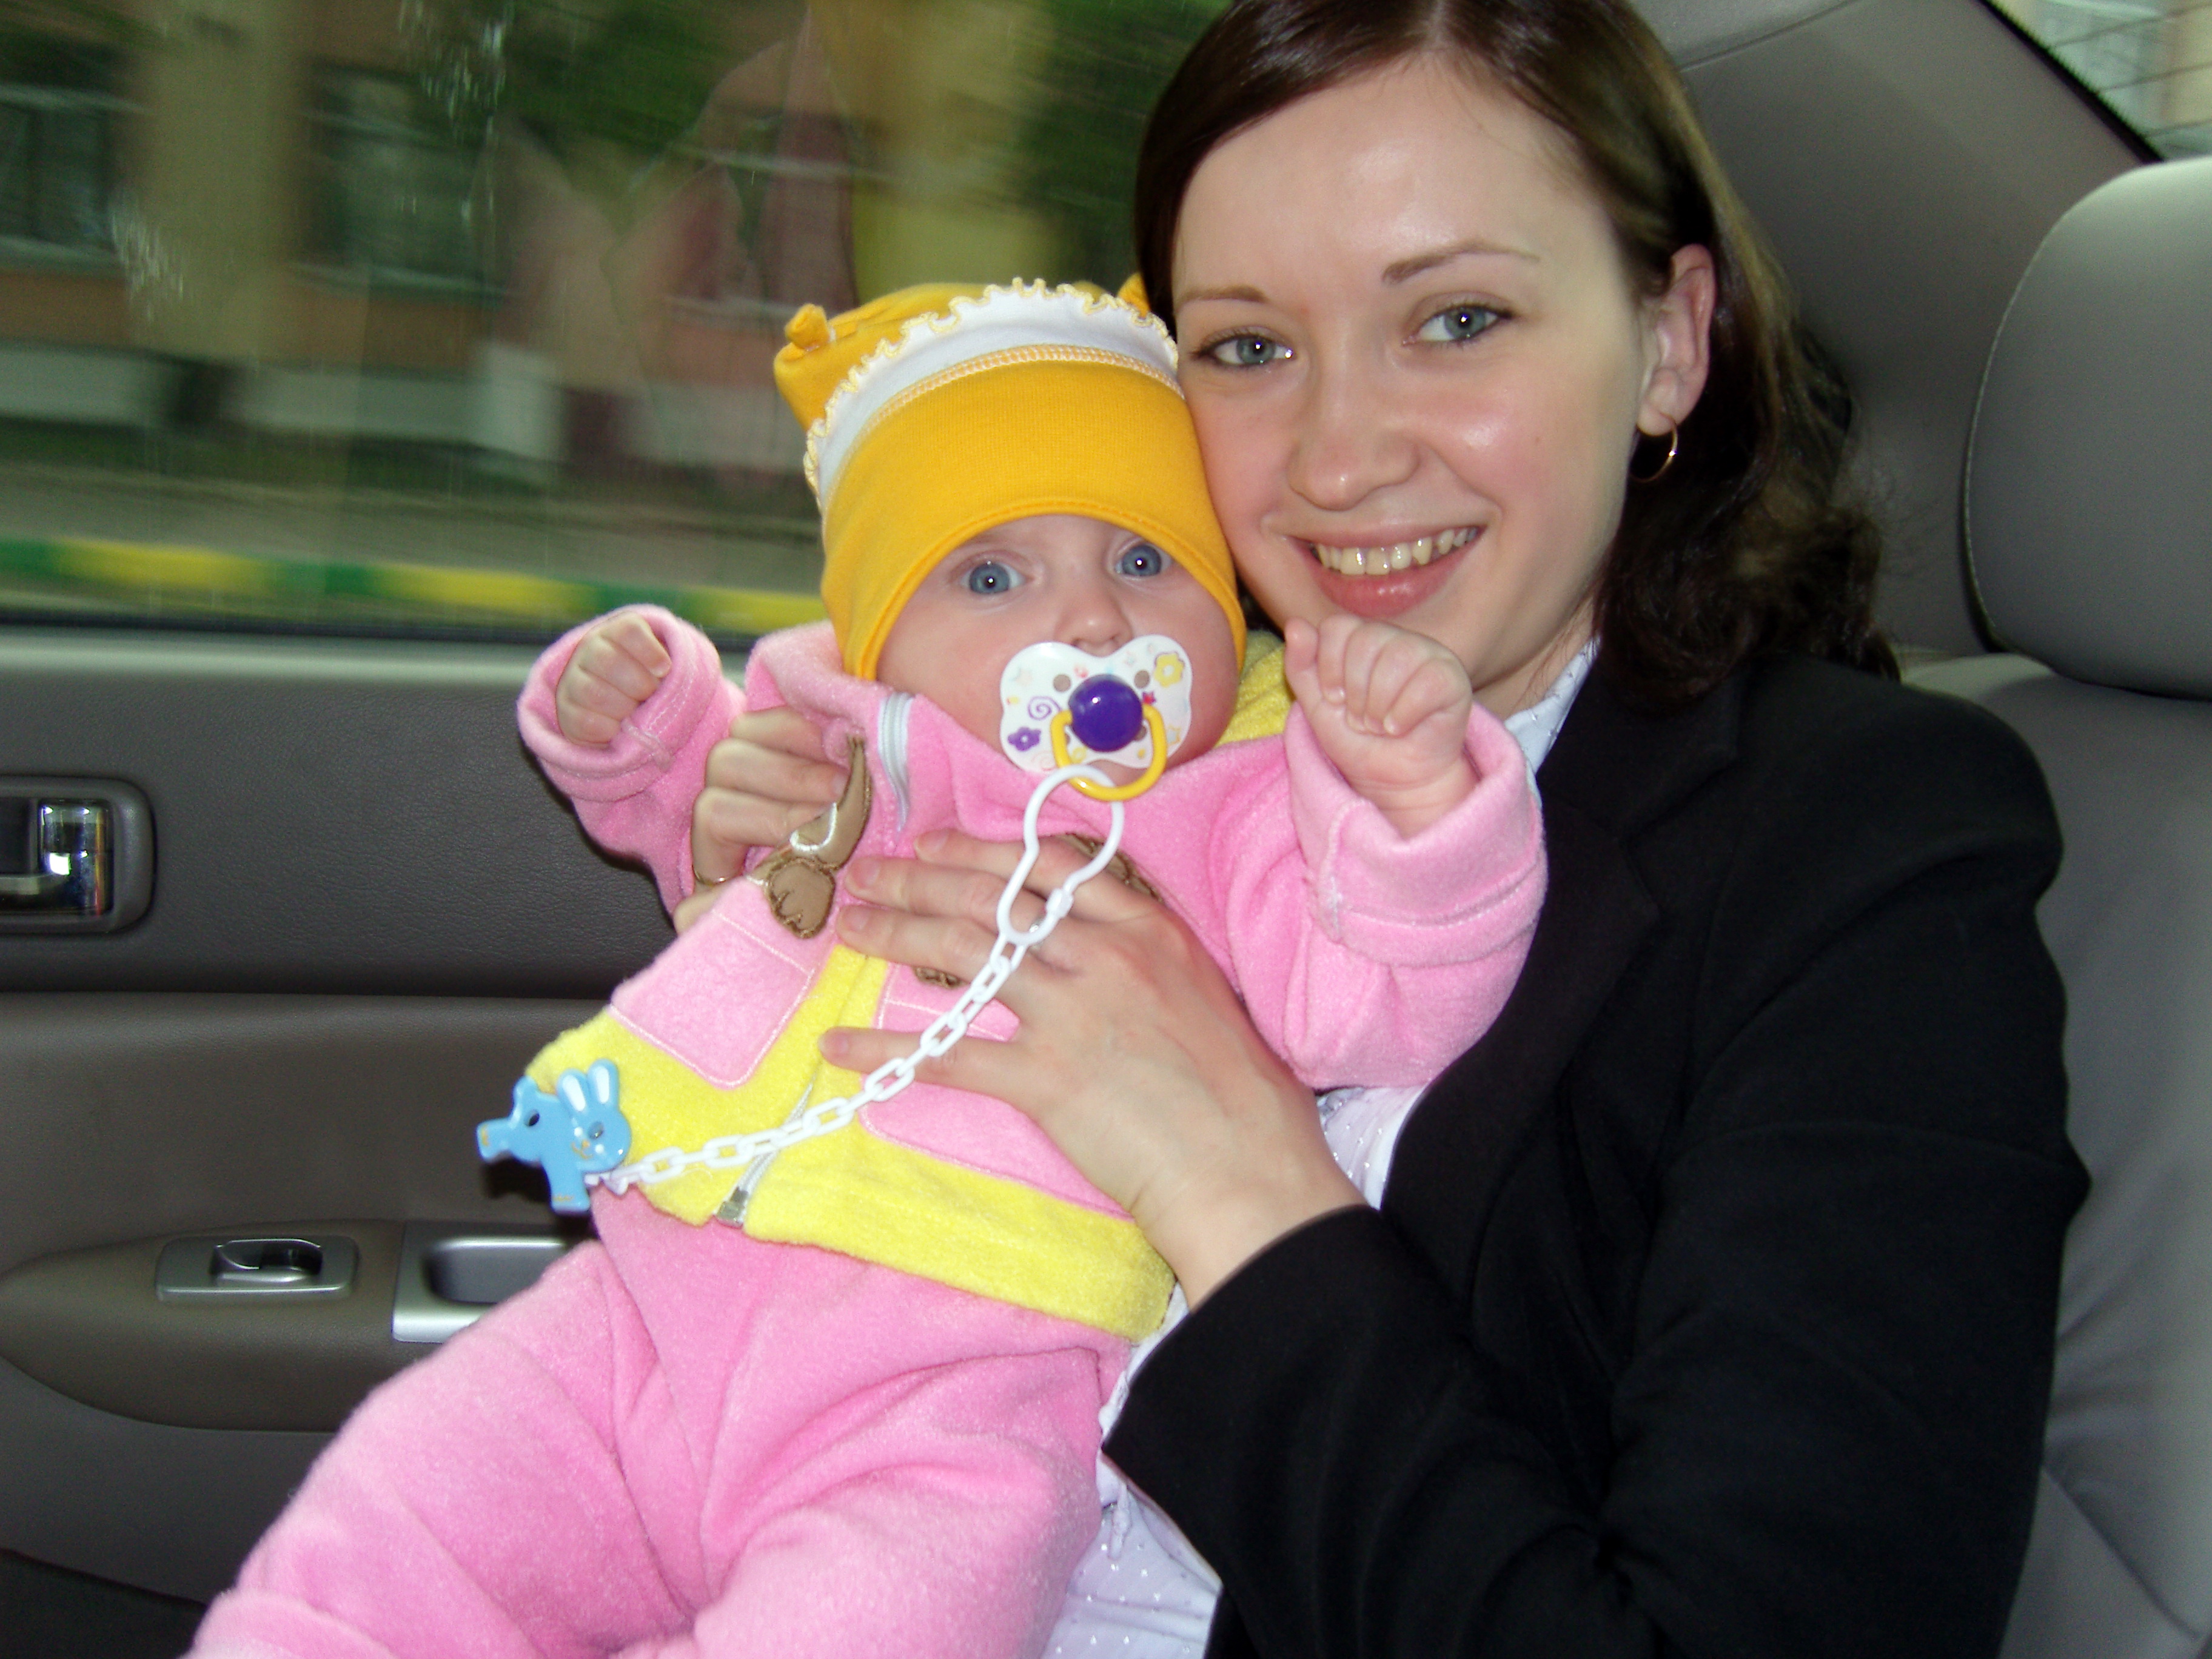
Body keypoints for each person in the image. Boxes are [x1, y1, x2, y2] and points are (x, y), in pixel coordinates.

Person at [683, 3, 2088, 1656]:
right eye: (1248, 349)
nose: (1339, 461)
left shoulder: (1867, 845)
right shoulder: (1147, 735)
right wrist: (787, 935)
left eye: (1458, 318)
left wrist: (1230, 1180)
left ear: (1668, 343)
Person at [186, 279, 1546, 1659]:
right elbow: (734, 885)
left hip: (955, 1402)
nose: (1090, 620)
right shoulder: (840, 744)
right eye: (992, 577)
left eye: (1144, 560)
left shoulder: (1246, 800)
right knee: (389, 1531)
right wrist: (655, 734)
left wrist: (1417, 810)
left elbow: (1387, 1000)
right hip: (652, 1314)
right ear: (879, 638)